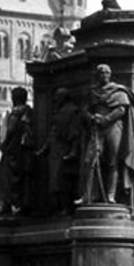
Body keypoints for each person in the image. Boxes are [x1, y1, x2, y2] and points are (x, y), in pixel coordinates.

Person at [77, 64, 134, 210]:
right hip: (96, 127)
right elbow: (84, 109)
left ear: (110, 74)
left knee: (113, 161)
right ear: (97, 75)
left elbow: (121, 109)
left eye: (106, 72)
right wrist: (92, 118)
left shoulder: (118, 91)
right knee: (89, 160)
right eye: (101, 72)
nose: (104, 75)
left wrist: (106, 119)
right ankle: (88, 195)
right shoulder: (92, 92)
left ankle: (111, 195)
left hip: (113, 127)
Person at [43, 87, 84, 215]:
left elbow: (74, 132)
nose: (55, 99)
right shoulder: (59, 111)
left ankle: (66, 207)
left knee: (63, 179)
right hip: (56, 150)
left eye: (58, 96)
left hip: (64, 149)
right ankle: (58, 207)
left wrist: (73, 150)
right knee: (55, 180)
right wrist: (45, 147)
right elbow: (53, 131)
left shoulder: (72, 111)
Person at [0, 86, 35, 215]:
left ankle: (7, 205)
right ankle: (23, 205)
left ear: (15, 99)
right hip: (24, 151)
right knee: (23, 179)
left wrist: (4, 145)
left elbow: (11, 130)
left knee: (5, 177)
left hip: (13, 151)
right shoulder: (30, 112)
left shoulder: (16, 112)